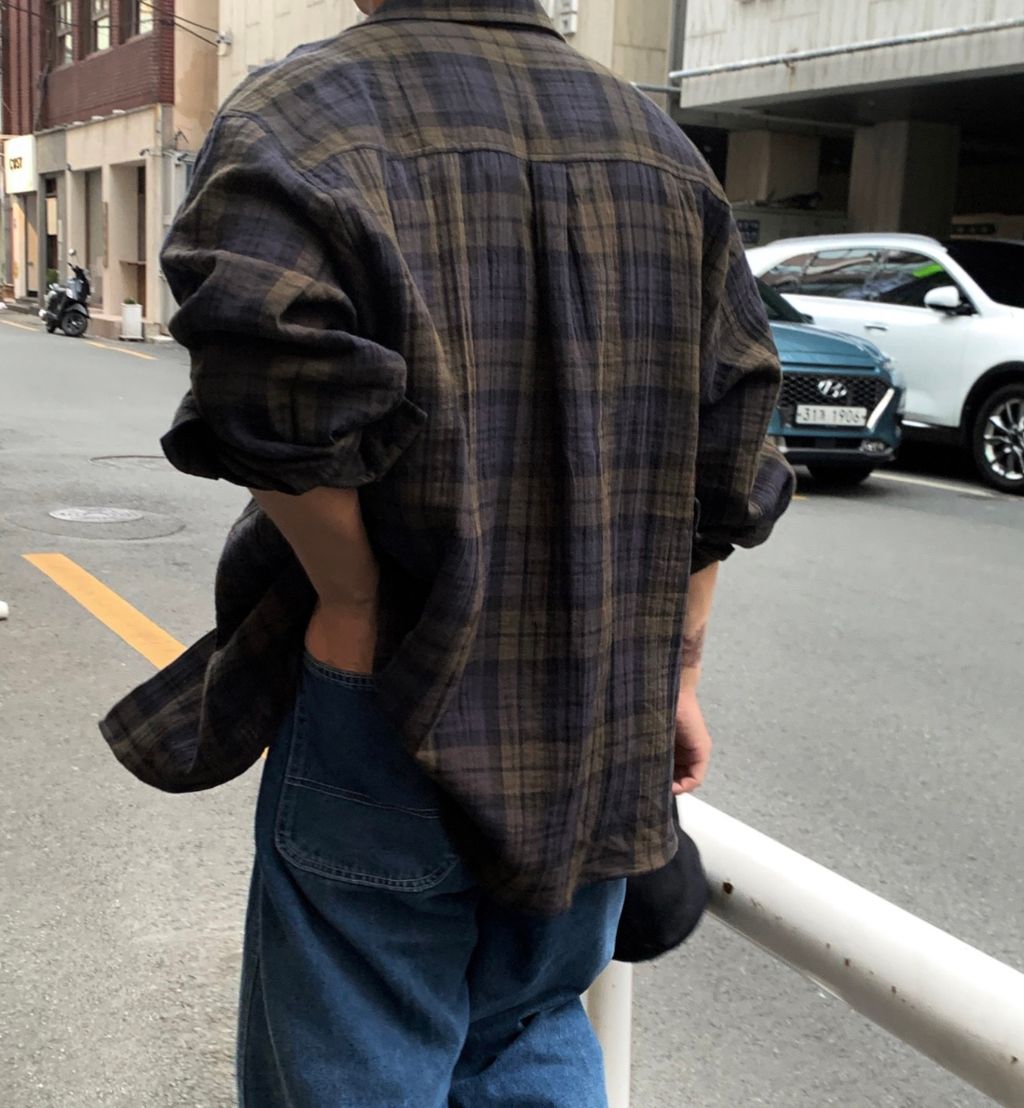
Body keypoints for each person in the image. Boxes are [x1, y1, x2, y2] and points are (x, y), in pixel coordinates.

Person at [101, 0, 794, 1103]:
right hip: (597, 715)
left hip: (388, 690)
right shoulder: (659, 149)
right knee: (529, 1026)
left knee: (356, 1047)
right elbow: (732, 445)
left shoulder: (303, 115)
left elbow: (264, 379)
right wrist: (677, 673)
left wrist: (351, 599)